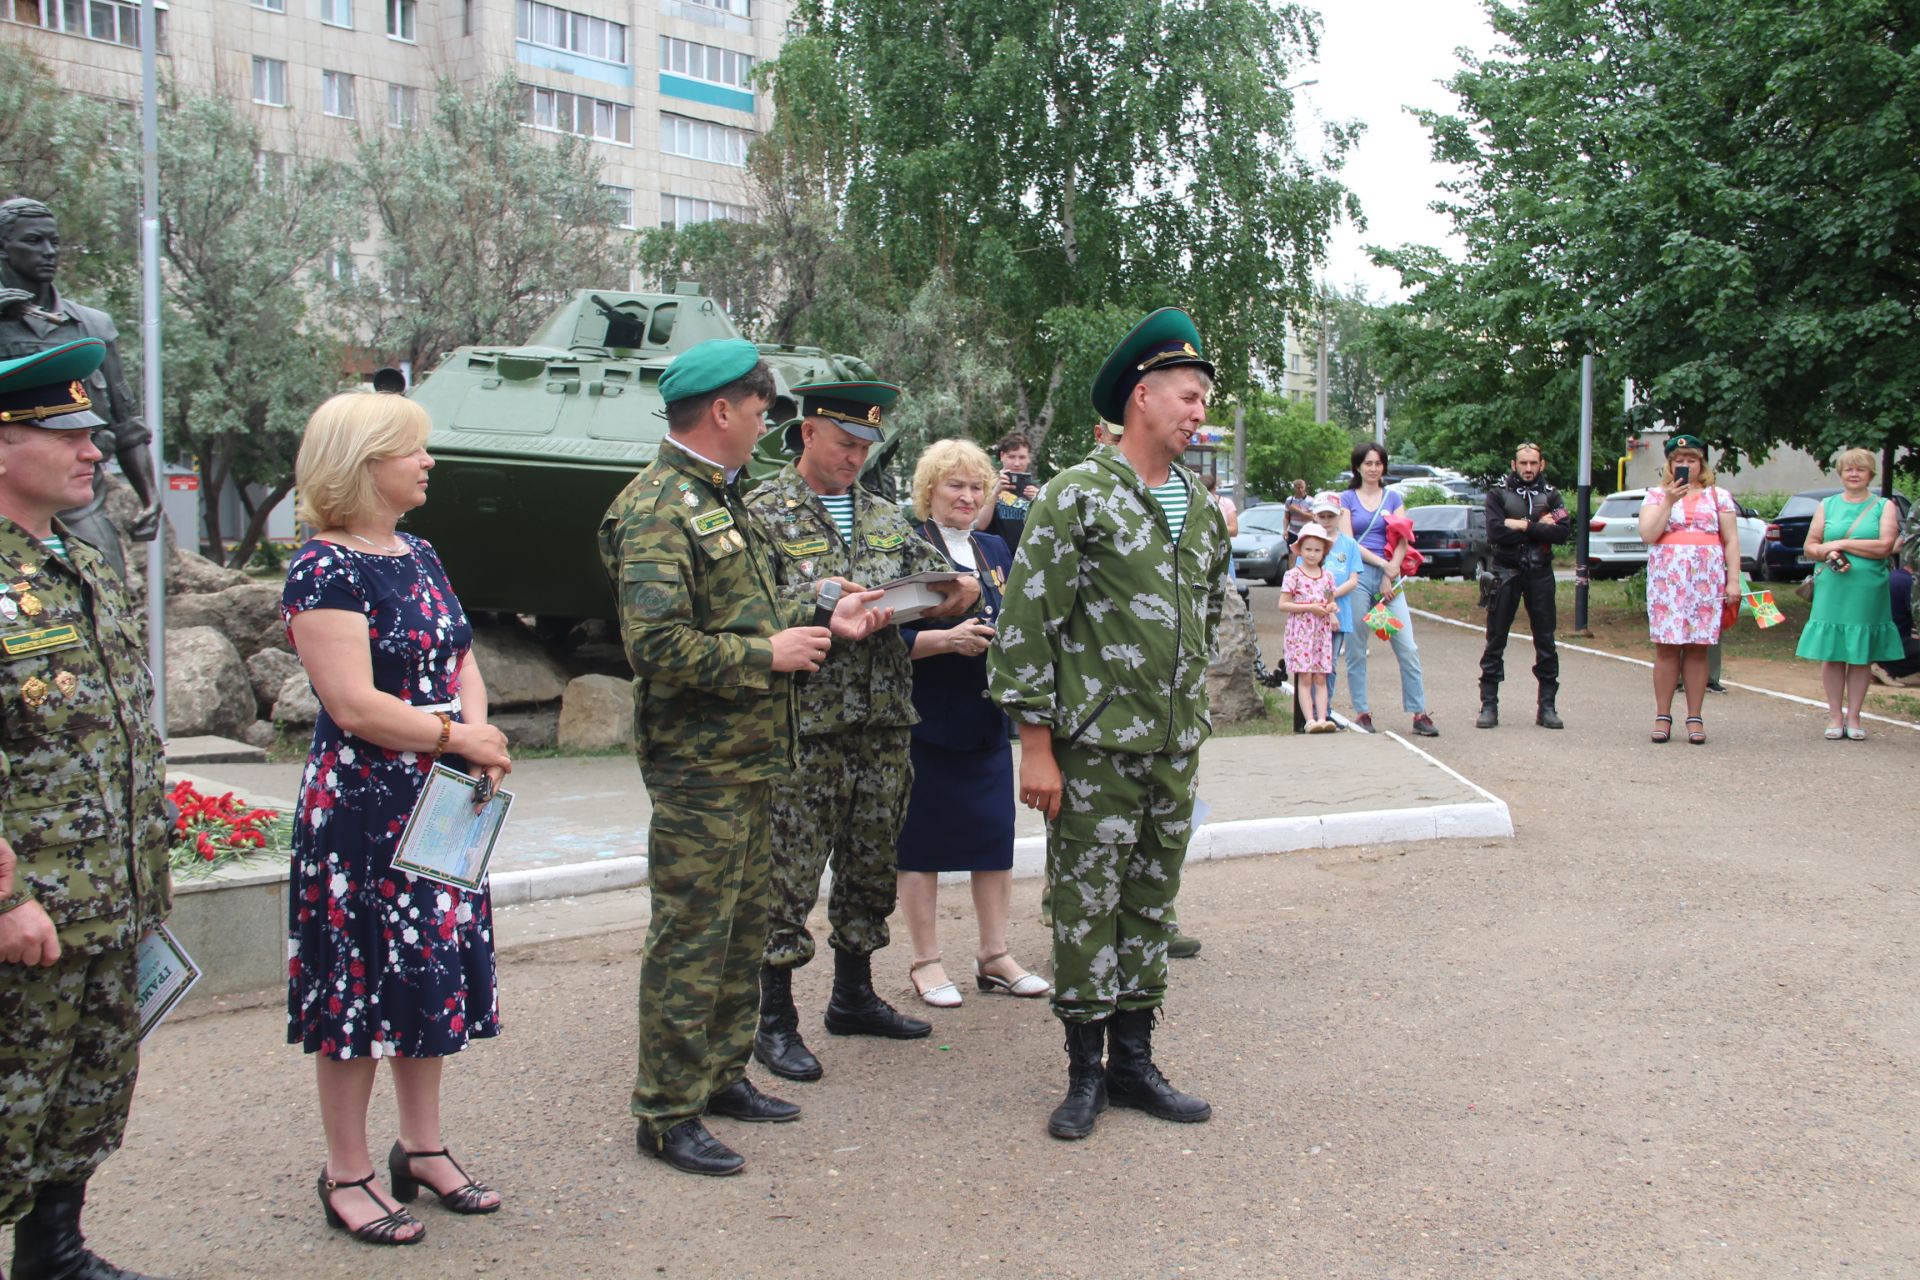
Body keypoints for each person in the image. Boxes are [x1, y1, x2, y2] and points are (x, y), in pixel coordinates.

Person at [599, 342, 893, 1177]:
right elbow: (654, 645)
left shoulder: (720, 500)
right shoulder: (658, 506)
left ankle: (722, 1076)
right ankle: (665, 1110)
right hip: (700, 764)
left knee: (739, 931)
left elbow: (760, 602)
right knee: (692, 936)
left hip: (757, 755)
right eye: (762, 410)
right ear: (722, 410)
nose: (769, 424)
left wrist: (826, 612)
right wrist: (766, 656)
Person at [988, 306, 1230, 1141]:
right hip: (1091, 748)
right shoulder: (1076, 495)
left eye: (1203, 399)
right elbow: (1029, 624)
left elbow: (1199, 613)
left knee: (1152, 902)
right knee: (1086, 904)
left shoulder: (1198, 505)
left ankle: (1133, 1063)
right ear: (1142, 398)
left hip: (1171, 746)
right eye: (1190, 396)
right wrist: (1036, 747)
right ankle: (1082, 1073)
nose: (1200, 412)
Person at [280, 391, 513, 1243]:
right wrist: (463, 736)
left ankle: (421, 1149)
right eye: (412, 449)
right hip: (364, 811)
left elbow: (459, 656)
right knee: (355, 990)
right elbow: (354, 705)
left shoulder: (418, 551)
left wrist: (474, 735)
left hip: (440, 798)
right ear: (363, 462)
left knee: (426, 978)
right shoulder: (323, 568)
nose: (428, 462)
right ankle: (345, 1172)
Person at [745, 381, 979, 1085]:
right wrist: (820, 601)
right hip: (804, 728)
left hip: (881, 724)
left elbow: (926, 588)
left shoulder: (881, 515)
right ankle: (774, 1019)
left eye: (866, 447)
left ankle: (853, 995)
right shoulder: (763, 512)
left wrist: (954, 594)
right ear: (809, 432)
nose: (855, 457)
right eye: (844, 443)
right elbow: (747, 606)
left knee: (869, 866)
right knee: (787, 876)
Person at [0, 339, 169, 1280]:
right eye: (63, 432)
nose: (92, 451)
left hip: (108, 899)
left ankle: (53, 1254)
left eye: (92, 434)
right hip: (30, 908)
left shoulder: (77, 561)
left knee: (86, 1094)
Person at [894, 439, 1048, 1008]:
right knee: (921, 845)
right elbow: (885, 637)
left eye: (977, 486)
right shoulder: (908, 548)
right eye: (954, 485)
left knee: (993, 839)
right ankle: (926, 962)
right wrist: (946, 640)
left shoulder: (993, 548)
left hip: (986, 714)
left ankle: (994, 956)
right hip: (924, 718)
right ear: (928, 491)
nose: (967, 495)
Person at [0, 198, 162, 578]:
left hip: (80, 502)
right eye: (34, 241)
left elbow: (127, 422)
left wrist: (151, 497)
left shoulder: (91, 327)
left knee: (105, 595)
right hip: (9, 498)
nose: (49, 252)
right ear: (3, 247)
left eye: (54, 242)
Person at [1637, 433, 1742, 745]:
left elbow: (1731, 540)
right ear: (1670, 465)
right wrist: (1670, 500)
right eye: (1679, 461)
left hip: (1705, 580)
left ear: (1701, 463)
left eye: (1691, 460)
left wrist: (1733, 579)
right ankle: (1662, 715)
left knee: (1698, 648)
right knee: (1667, 647)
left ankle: (1694, 717)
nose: (1685, 465)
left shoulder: (1718, 496)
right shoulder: (1655, 496)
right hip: (1668, 581)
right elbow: (1648, 534)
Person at [1794, 447, 1904, 740]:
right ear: (1841, 474)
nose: (1854, 474)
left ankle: (1854, 716)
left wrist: (1841, 542)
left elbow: (1884, 546)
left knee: (1860, 654)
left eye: (1860, 469)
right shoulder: (1827, 505)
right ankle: (1834, 715)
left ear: (1871, 473)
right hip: (1833, 585)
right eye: (1848, 469)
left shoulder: (1884, 506)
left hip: (1868, 588)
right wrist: (1828, 550)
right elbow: (1811, 546)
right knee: (1832, 653)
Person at [1338, 443, 1437, 736]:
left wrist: (1391, 570)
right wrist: (1383, 565)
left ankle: (1419, 712)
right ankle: (1362, 712)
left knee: (1406, 645)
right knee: (1356, 647)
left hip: (1389, 581)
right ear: (1357, 466)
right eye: (1367, 463)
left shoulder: (1393, 498)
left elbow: (1402, 536)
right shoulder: (1347, 499)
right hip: (1358, 577)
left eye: (1378, 463)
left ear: (1384, 467)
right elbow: (1349, 542)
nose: (1373, 468)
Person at [1477, 442, 1570, 730]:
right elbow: (1496, 531)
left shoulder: (1552, 495)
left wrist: (1523, 526)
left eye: (1533, 463)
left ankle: (1548, 706)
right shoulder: (1497, 494)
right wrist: (1539, 527)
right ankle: (1488, 705)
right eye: (1523, 463)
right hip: (1505, 572)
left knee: (1546, 640)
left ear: (1541, 465)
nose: (1528, 468)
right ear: (1514, 464)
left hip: (1540, 572)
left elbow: (1563, 532)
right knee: (1496, 639)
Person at [1279, 523, 1352, 731]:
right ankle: (1309, 720)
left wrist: (1330, 609)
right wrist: (1310, 607)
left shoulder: (1327, 576)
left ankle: (1323, 718)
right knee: (1305, 675)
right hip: (1301, 631)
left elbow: (1330, 601)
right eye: (1308, 549)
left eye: (1317, 550)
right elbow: (1283, 604)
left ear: (1324, 553)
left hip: (1321, 631)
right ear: (1300, 550)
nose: (1312, 554)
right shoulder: (1293, 575)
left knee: (1321, 675)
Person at [1311, 492, 1364, 712]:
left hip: (1340, 615)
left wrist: (1331, 595)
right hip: (1314, 613)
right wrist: (1325, 602)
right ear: (1315, 516)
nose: (1326, 519)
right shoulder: (1311, 543)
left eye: (1330, 515)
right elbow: (1307, 578)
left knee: (1330, 665)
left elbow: (1353, 580)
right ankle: (1311, 710)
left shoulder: (1349, 544)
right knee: (1313, 663)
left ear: (1339, 515)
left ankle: (1325, 709)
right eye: (1321, 515)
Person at [974, 432, 1041, 546]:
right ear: (1002, 456)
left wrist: (1039, 502)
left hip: (1024, 556)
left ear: (1028, 458)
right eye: (1011, 456)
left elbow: (1045, 528)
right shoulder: (986, 485)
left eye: (1022, 457)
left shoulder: (1037, 491)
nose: (1016, 463)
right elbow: (979, 525)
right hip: (994, 554)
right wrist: (995, 492)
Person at [1870, 559, 1920, 686]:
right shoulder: (1910, 583)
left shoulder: (1892, 576)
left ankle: (1878, 665)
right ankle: (1887, 668)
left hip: (1874, 641)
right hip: (1892, 643)